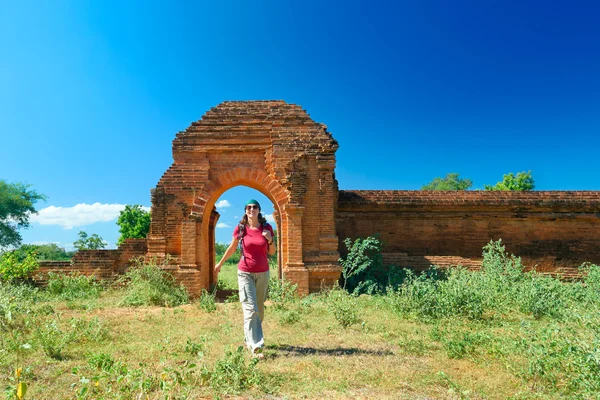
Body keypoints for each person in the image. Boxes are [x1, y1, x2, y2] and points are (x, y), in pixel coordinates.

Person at [214, 199, 276, 359]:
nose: (252, 209)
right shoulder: (241, 228)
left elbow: (272, 252)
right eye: (248, 207)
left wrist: (270, 239)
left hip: (263, 272)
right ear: (245, 210)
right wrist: (220, 263)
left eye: (255, 207)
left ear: (259, 210)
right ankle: (256, 346)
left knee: (260, 309)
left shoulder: (266, 228)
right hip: (245, 272)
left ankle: (249, 337)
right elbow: (232, 247)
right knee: (250, 308)